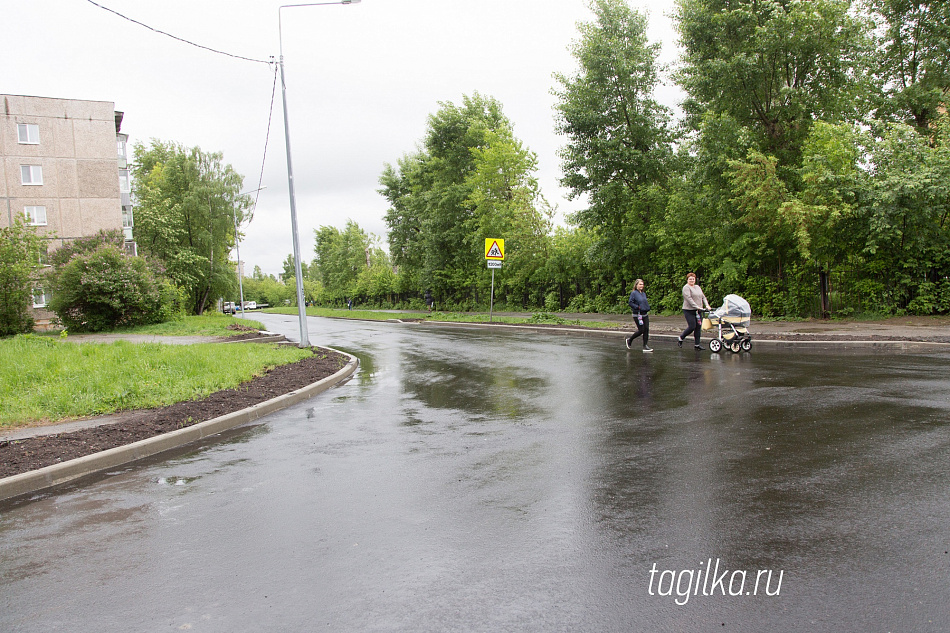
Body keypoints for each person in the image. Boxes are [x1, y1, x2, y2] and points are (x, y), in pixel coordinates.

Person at [678, 272, 711, 350]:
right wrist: (697, 307)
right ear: (687, 280)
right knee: (692, 326)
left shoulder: (697, 287)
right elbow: (689, 299)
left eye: (693, 279)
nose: (692, 280)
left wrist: (707, 305)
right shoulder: (686, 288)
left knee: (698, 327)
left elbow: (703, 297)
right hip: (689, 310)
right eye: (690, 279)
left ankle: (697, 345)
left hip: (698, 310)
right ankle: (681, 338)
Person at [626, 278, 653, 352]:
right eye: (640, 284)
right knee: (641, 330)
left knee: (646, 329)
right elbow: (630, 302)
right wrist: (637, 307)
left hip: (644, 314)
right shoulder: (634, 293)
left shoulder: (643, 293)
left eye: (642, 284)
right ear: (636, 285)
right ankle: (630, 340)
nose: (642, 286)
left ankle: (645, 346)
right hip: (637, 314)